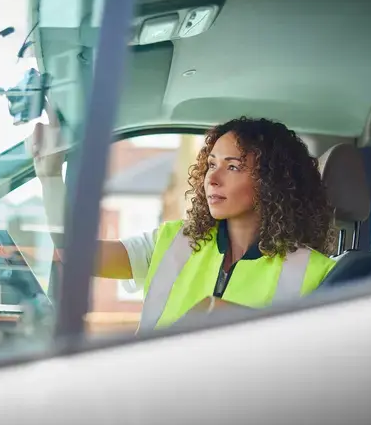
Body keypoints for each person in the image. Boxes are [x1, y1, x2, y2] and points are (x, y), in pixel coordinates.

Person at [30, 110, 337, 332]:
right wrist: (49, 177)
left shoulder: (317, 274)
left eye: (232, 167)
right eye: (211, 164)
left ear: (272, 181)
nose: (212, 179)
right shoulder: (173, 240)